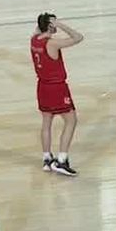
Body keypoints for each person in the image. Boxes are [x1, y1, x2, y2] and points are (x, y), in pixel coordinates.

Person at [30, 13, 83, 177]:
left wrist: (46, 24)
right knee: (71, 120)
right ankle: (61, 160)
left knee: (47, 122)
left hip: (42, 87)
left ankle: (47, 158)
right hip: (56, 88)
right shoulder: (52, 44)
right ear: (50, 26)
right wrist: (60, 25)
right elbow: (78, 37)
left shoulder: (34, 40)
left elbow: (38, 29)